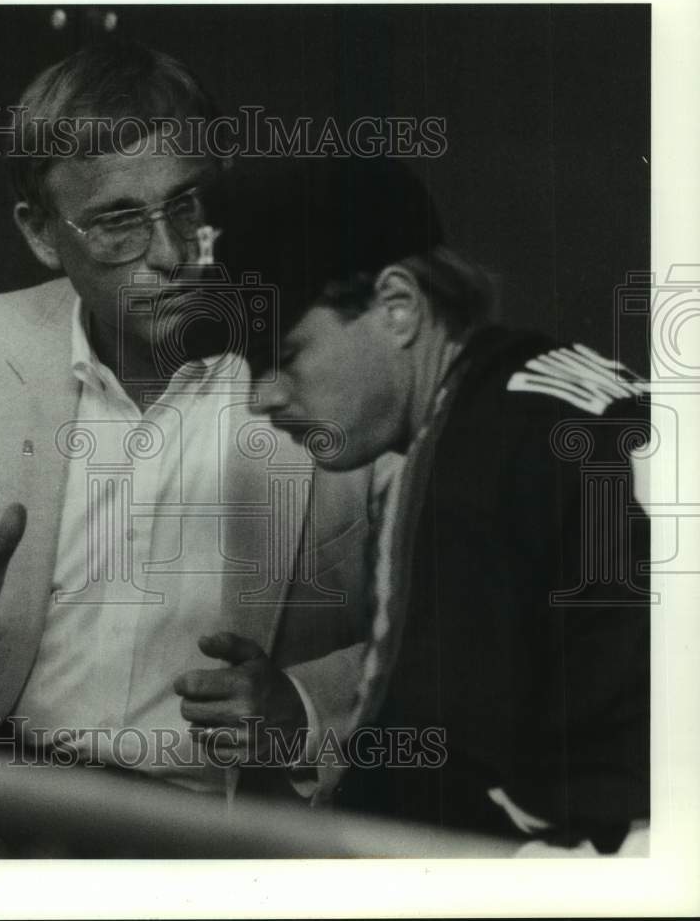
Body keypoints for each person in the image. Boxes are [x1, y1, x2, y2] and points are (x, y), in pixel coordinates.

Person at [0, 41, 373, 806]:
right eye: (117, 223)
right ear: (42, 236)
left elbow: (438, 647)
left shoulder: (341, 354)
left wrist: (299, 710)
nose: (175, 255)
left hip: (225, 835)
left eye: (190, 205)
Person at [242, 156, 650, 852]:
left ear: (398, 307)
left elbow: (421, 778)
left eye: (285, 353)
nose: (263, 397)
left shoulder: (462, 458)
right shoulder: (544, 378)